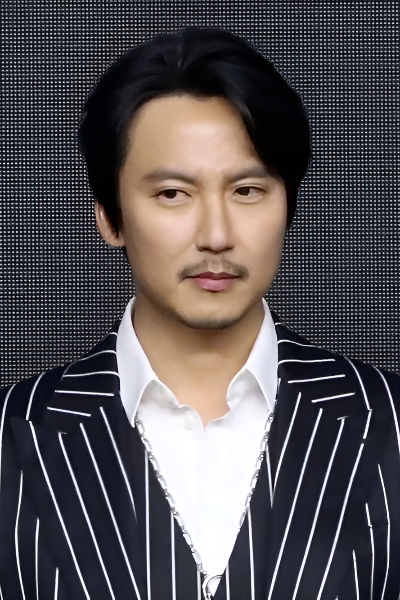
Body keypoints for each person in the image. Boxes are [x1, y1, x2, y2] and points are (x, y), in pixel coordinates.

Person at [0, 26, 399, 600]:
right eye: (173, 194)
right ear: (109, 216)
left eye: (247, 191)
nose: (216, 234)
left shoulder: (388, 420)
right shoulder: (13, 433)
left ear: (289, 203)